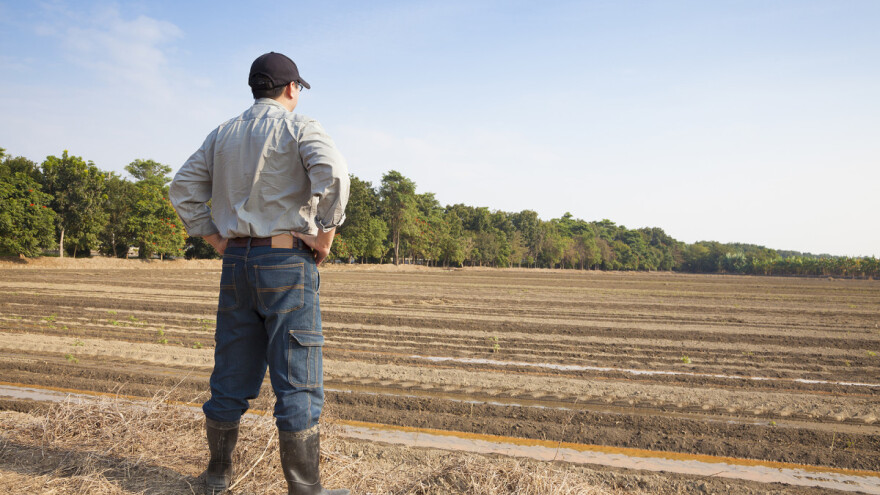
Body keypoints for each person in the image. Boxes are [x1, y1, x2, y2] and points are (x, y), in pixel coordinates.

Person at [170, 51, 350, 495]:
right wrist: (325, 234)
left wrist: (216, 240)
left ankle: (216, 479)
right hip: (287, 263)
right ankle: (305, 491)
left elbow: (182, 187)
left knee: (231, 370)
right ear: (293, 89)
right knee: (298, 379)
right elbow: (335, 174)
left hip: (237, 265)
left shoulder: (223, 133)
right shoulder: (300, 126)